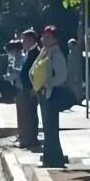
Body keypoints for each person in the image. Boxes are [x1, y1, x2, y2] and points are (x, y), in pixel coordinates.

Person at [31, 25, 69, 167]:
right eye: (43, 36)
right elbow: (34, 69)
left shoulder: (56, 54)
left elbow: (62, 76)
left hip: (51, 94)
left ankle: (54, 159)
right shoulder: (44, 51)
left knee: (51, 128)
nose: (43, 39)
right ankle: (49, 157)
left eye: (47, 37)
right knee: (47, 128)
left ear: (55, 39)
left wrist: (48, 84)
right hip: (42, 94)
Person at [16, 29, 41, 148]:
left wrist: (34, 88)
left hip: (31, 89)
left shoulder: (36, 53)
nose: (22, 42)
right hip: (25, 88)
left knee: (30, 114)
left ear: (31, 40)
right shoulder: (28, 52)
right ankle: (25, 137)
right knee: (25, 114)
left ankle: (31, 139)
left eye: (24, 40)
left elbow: (37, 72)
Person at [66, 39, 84, 105]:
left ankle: (78, 100)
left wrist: (76, 75)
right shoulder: (71, 53)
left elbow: (77, 65)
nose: (69, 46)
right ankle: (74, 100)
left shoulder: (76, 54)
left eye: (70, 45)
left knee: (76, 87)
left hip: (75, 74)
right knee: (72, 87)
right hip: (70, 74)